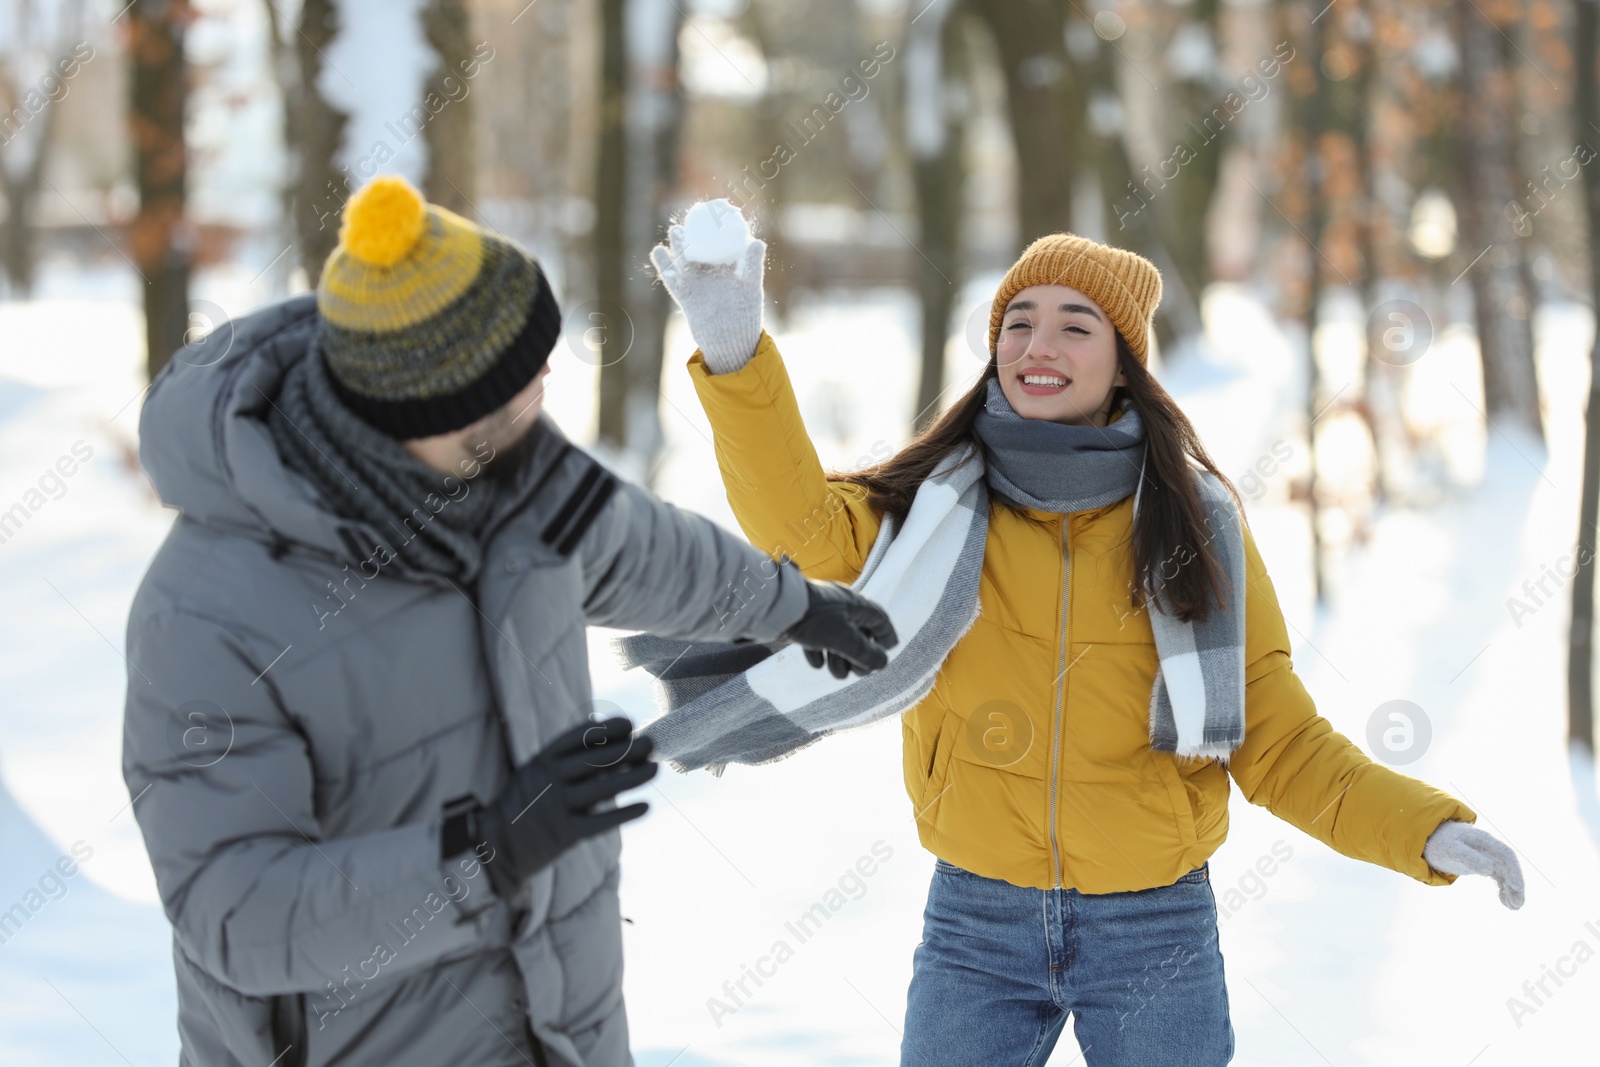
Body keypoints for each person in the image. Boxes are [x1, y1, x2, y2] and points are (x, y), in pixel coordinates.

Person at [645, 206, 1525, 1067]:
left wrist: (1421, 831)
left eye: (1076, 326)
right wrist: (734, 351)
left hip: (1155, 926)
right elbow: (797, 525)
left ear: (1122, 363)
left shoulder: (1194, 523)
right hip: (976, 917)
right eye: (1019, 322)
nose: (1039, 346)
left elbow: (1278, 739)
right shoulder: (934, 514)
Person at [121, 176, 896, 1067]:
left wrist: (791, 605)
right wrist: (486, 849)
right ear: (424, 413)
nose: (546, 383)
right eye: (519, 381)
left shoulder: (506, 472)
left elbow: (630, 545)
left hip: (557, 1027)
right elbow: (239, 913)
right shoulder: (209, 615)